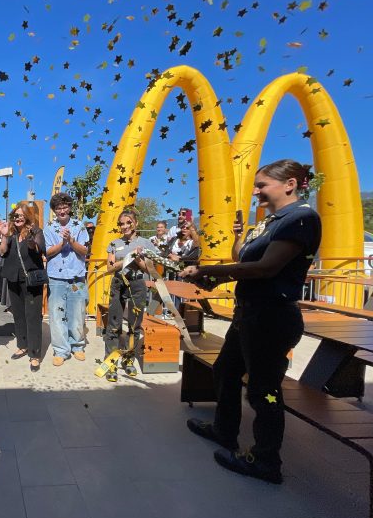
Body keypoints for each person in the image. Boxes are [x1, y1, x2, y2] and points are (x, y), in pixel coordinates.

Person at [180, 159, 321, 484]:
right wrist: (219, 274)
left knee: (265, 391)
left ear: (290, 184)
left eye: (262, 185)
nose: (256, 191)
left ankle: (266, 460)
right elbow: (245, 260)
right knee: (225, 371)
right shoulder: (272, 222)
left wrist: (208, 271)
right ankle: (224, 431)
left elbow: (265, 268)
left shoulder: (300, 218)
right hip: (250, 315)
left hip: (271, 319)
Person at [104, 209, 158, 377]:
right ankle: (110, 362)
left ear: (136, 223)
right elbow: (110, 267)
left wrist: (138, 259)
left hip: (137, 285)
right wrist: (126, 258)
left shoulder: (146, 244)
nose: (125, 226)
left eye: (128, 222)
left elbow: (150, 269)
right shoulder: (113, 243)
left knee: (134, 326)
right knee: (114, 324)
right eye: (121, 223)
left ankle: (128, 360)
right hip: (118, 283)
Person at [0, 203, 46, 372]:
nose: (17, 218)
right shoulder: (10, 234)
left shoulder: (36, 232)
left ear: (26, 217)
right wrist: (4, 236)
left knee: (32, 316)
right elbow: (2, 252)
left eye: (20, 215)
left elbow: (39, 249)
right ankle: (22, 345)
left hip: (31, 280)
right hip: (13, 279)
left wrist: (31, 238)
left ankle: (34, 354)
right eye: (15, 215)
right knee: (18, 314)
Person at [44, 192, 89, 366]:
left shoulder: (80, 226)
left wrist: (70, 240)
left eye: (65, 207)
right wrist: (62, 244)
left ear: (70, 208)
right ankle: (61, 350)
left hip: (76, 275)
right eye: (58, 208)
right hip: (56, 277)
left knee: (77, 313)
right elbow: (47, 252)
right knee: (56, 314)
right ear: (54, 210)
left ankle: (77, 346)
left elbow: (84, 251)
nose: (62, 210)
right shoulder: (48, 228)